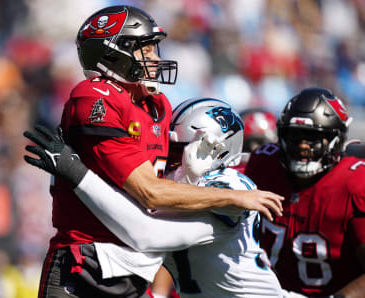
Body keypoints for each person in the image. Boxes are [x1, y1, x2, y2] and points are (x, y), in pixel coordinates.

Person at [24, 5, 283, 298]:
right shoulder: (96, 97)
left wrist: (187, 176)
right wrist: (233, 197)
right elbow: (150, 192)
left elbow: (153, 211)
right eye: (145, 50)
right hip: (87, 262)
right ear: (112, 54)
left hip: (137, 266)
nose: (155, 58)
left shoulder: (157, 105)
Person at [24, 98, 287, 297]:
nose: (168, 160)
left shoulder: (231, 189)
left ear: (216, 150)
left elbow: (144, 234)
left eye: (176, 150)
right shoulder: (180, 184)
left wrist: (76, 172)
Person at [244, 88, 365, 297]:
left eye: (312, 137)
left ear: (335, 139)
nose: (302, 145)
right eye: (294, 135)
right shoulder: (263, 165)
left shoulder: (354, 184)